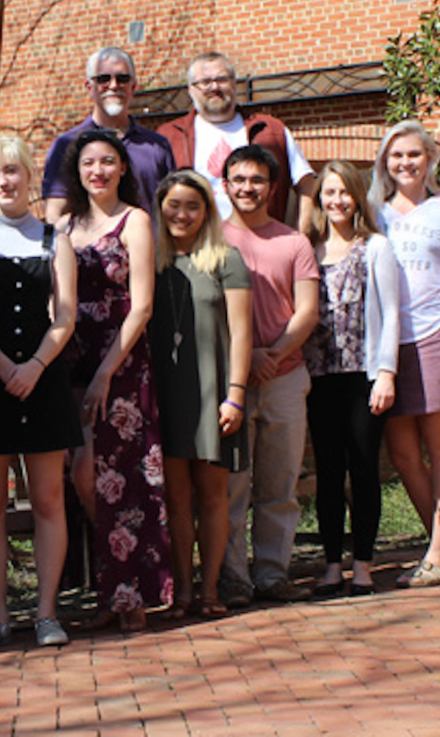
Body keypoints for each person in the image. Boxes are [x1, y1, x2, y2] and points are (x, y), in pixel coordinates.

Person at [0, 136, 83, 650]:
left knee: (48, 501)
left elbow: (67, 314)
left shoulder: (55, 238)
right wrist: (2, 365)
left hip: (45, 382)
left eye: (11, 171)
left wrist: (34, 366)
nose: (3, 183)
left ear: (29, 176)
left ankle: (46, 612)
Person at [60, 129, 173, 632]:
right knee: (82, 475)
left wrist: (107, 370)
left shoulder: (135, 221)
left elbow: (143, 304)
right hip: (68, 359)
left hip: (121, 361)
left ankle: (135, 598)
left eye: (108, 162)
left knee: (121, 475)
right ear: (77, 170)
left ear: (123, 168)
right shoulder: (63, 225)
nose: (98, 171)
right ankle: (111, 587)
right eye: (89, 163)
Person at [367, 119, 440, 588]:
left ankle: (436, 552)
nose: (405, 163)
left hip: (439, 336)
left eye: (414, 154)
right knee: (402, 454)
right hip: (389, 346)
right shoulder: (374, 213)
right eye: (396, 156)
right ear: (385, 162)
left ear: (429, 157)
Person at [218, 144, 319, 608]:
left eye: (257, 180)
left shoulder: (293, 243)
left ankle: (273, 573)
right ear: (225, 185)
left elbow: (307, 312)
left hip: (284, 377)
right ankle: (233, 577)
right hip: (230, 384)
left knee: (279, 486)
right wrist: (246, 359)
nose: (247, 188)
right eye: (239, 179)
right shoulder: (210, 241)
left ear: (272, 188)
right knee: (232, 486)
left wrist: (271, 354)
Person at [149, 170, 252, 618]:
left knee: (213, 496)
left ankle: (210, 591)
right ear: (160, 208)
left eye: (193, 205)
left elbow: (243, 333)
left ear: (207, 211)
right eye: (174, 204)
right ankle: (182, 593)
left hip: (214, 390)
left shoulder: (226, 259)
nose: (182, 214)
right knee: (176, 500)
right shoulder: (148, 262)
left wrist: (236, 395)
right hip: (165, 393)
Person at [302, 161, 400, 598]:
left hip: (363, 375)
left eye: (344, 192)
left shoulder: (375, 246)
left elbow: (392, 312)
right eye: (329, 193)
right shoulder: (309, 248)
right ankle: (331, 565)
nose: (336, 201)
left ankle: (363, 564)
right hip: (318, 376)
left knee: (362, 469)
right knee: (328, 471)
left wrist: (387, 374)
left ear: (357, 197)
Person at [157, 51, 316, 228]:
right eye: (205, 82)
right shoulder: (168, 137)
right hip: (195, 247)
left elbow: (307, 185)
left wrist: (300, 235)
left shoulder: (271, 131)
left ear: (235, 84)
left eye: (222, 79)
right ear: (191, 90)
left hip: (260, 244)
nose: (214, 87)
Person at [42, 47, 175, 223]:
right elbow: (55, 214)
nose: (113, 85)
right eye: (103, 79)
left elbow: (172, 207)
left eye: (122, 79)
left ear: (133, 87)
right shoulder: (67, 145)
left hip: (149, 249)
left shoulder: (156, 146)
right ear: (89, 87)